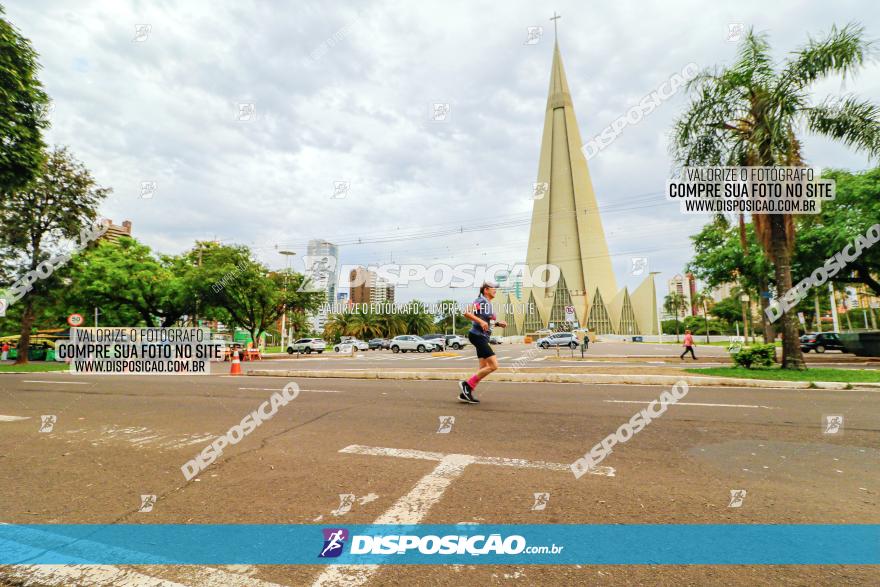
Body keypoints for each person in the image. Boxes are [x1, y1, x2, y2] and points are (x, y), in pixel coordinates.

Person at [458, 281, 507, 404]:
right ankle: (466, 385)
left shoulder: (488, 303)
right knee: (494, 366)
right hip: (477, 336)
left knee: (483, 368)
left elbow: (487, 321)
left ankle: (465, 393)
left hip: (483, 337)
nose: (495, 290)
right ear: (486, 290)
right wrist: (480, 321)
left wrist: (497, 323)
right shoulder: (481, 301)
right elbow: (466, 312)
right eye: (493, 288)